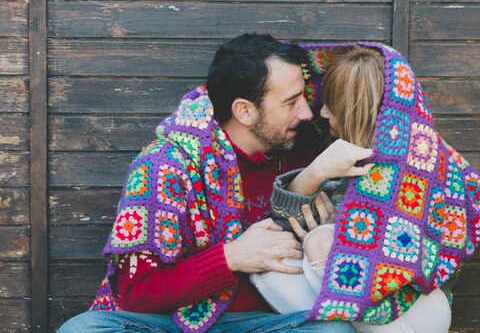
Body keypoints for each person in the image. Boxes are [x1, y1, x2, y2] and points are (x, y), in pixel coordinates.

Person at [58, 34, 356, 333]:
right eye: (291, 102)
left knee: (335, 330)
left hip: (269, 324)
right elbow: (137, 292)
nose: (307, 112)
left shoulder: (306, 150)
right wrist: (230, 258)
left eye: (304, 96)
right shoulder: (165, 167)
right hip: (171, 324)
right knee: (82, 330)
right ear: (245, 111)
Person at [252, 45, 480, 332]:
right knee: (273, 262)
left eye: (329, 104)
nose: (320, 111)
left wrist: (348, 236)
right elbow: (287, 227)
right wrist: (314, 179)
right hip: (373, 312)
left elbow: (435, 250)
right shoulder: (342, 156)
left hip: (418, 309)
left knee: (319, 244)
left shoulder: (418, 161)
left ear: (350, 111)